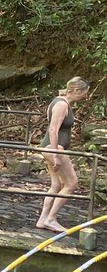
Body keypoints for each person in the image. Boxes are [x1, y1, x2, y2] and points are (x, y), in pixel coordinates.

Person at [36, 76, 90, 232]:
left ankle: (43, 219)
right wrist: (55, 155)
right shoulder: (61, 104)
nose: (85, 96)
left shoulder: (60, 101)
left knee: (56, 184)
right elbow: (53, 129)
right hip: (55, 148)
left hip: (52, 147)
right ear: (77, 90)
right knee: (71, 183)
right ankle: (51, 219)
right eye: (84, 93)